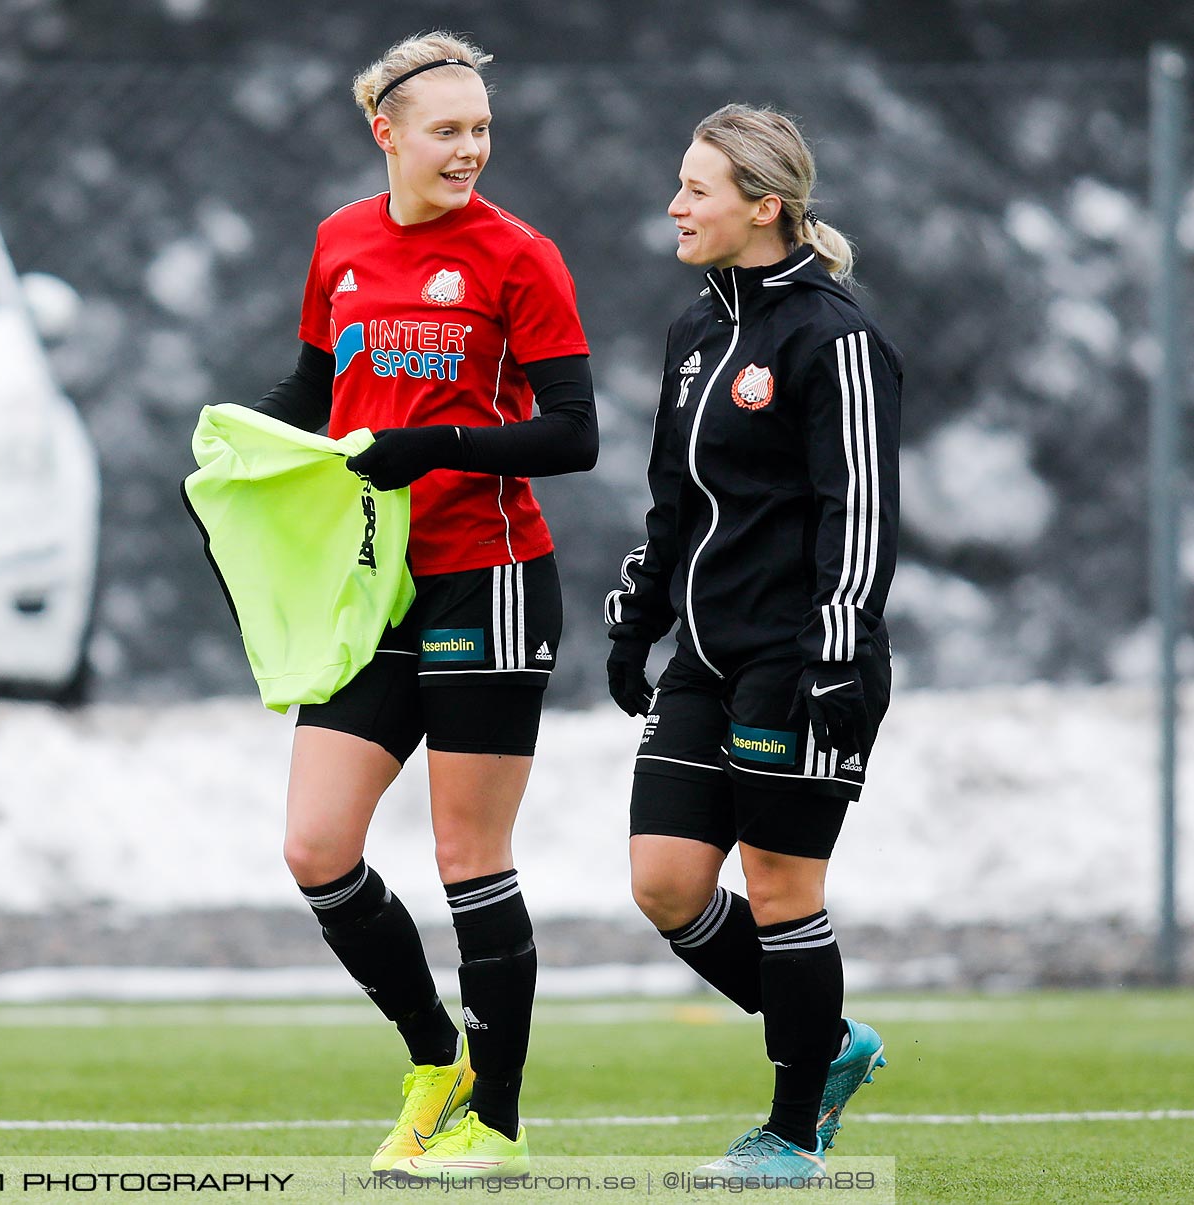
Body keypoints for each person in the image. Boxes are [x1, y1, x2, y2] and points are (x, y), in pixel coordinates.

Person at [247, 30, 597, 1179]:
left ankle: (497, 1120)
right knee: (314, 845)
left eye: (481, 129)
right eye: (447, 130)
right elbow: (316, 385)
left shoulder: (519, 256)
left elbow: (573, 432)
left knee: (467, 853)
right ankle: (435, 1057)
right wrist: (248, 451)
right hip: (374, 587)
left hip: (489, 576)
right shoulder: (339, 240)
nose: (469, 150)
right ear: (385, 131)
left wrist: (431, 446)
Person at [604, 103, 900, 1182]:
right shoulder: (694, 334)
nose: (675, 205)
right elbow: (672, 503)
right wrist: (638, 621)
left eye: (697, 188)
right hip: (708, 657)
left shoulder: (837, 336)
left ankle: (792, 1131)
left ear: (763, 206)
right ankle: (831, 1041)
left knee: (783, 892)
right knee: (667, 884)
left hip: (801, 658)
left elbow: (857, 511)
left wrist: (832, 655)